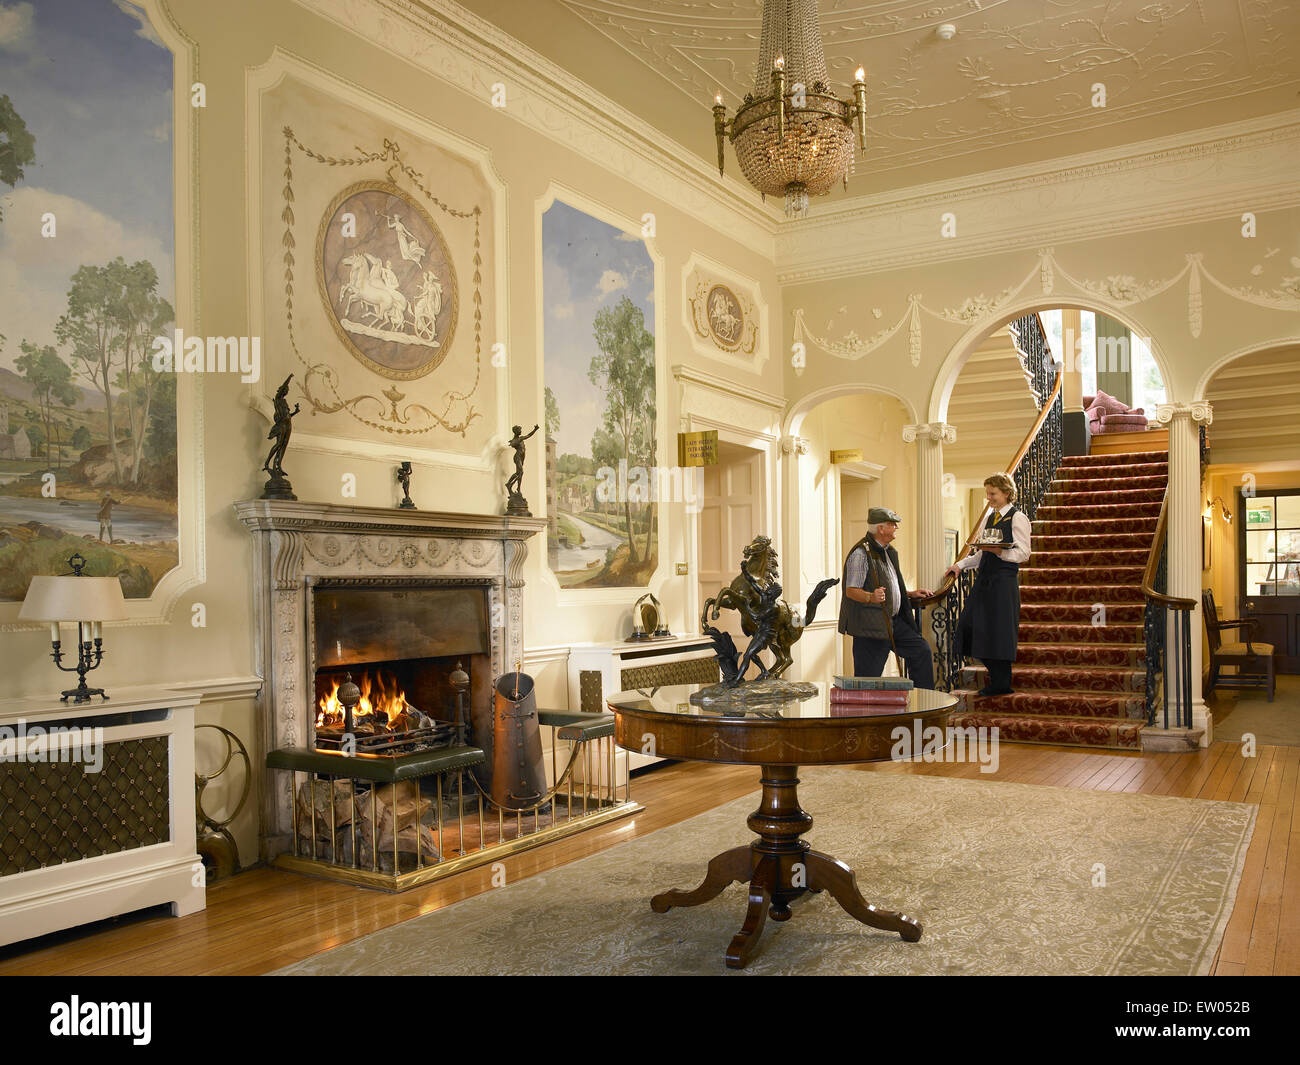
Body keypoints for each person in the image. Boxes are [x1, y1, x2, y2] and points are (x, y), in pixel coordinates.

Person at [946, 472, 1032, 696]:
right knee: (970, 626)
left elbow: (1024, 553)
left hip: (1003, 582)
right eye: (987, 493)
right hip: (985, 580)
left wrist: (1000, 552)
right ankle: (997, 678)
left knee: (999, 632)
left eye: (992, 493)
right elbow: (980, 553)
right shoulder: (989, 518)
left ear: (1006, 492)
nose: (989, 498)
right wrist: (960, 565)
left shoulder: (1017, 518)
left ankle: (1001, 682)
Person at [838, 506, 935, 687]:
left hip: (892, 621)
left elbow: (888, 585)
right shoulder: (861, 553)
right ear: (881, 529)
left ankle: (923, 709)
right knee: (867, 680)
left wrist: (908, 594)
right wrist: (870, 597)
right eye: (892, 524)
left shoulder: (888, 551)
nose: (896, 528)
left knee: (921, 651)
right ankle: (867, 715)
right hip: (870, 627)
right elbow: (851, 590)